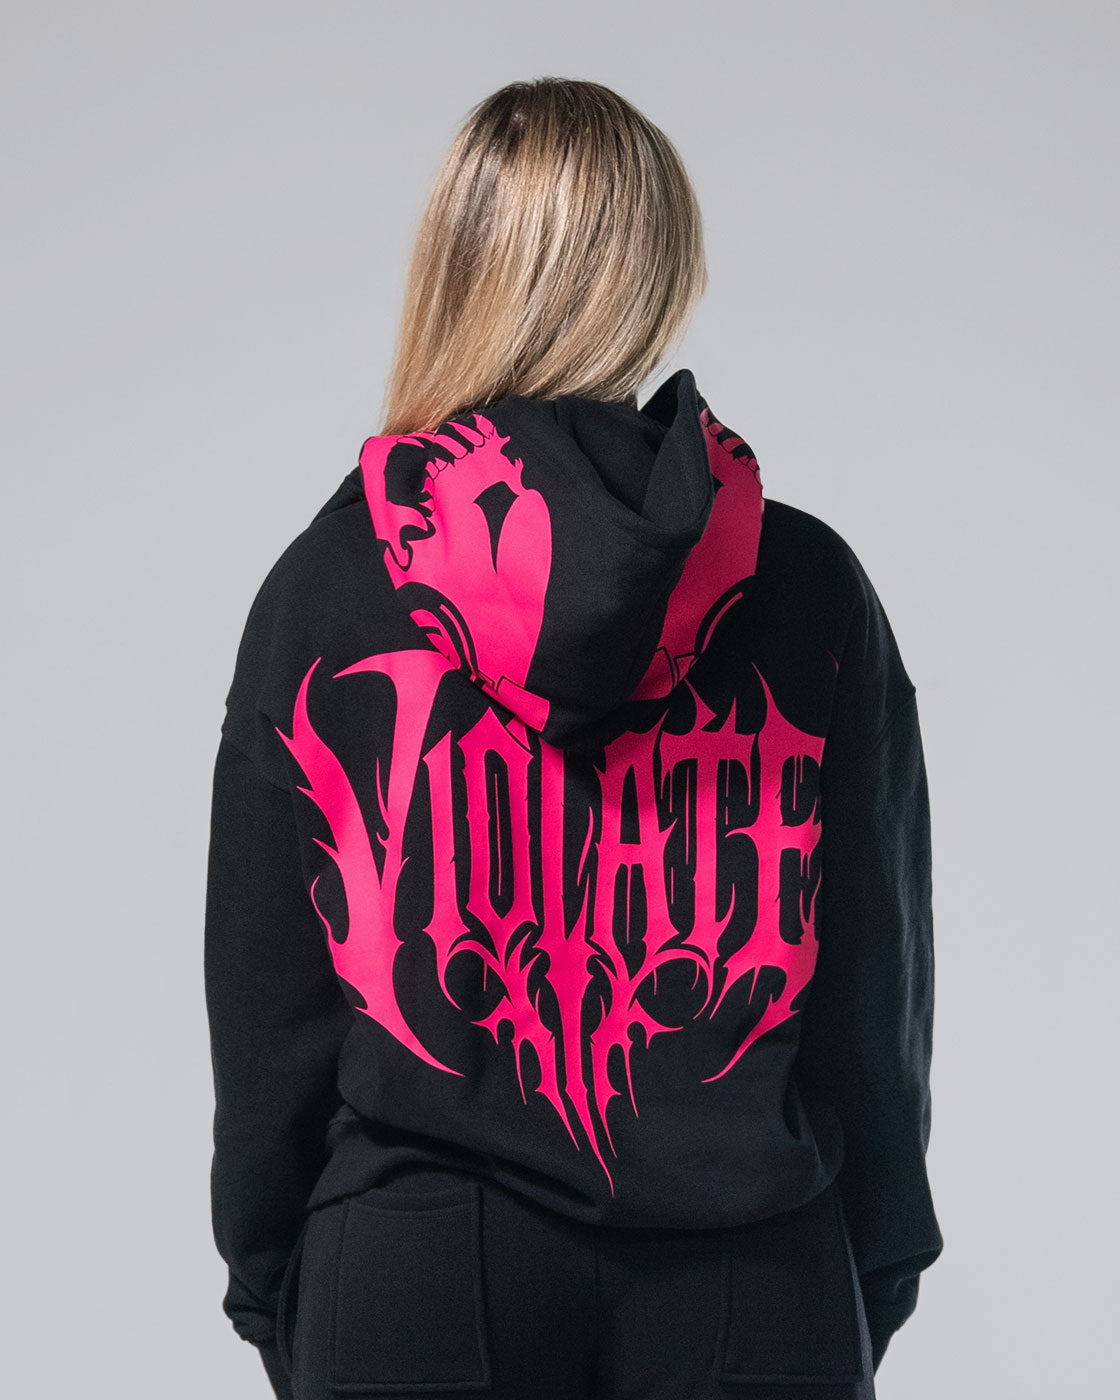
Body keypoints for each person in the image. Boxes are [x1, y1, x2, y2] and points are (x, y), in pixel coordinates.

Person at [203, 77, 943, 1400]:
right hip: (752, 1257)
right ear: (660, 272)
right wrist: (866, 1265)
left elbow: (271, 1000)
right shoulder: (805, 588)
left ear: (458, 268)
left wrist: (278, 1279)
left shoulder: (337, 583)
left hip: (414, 1257)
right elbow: (871, 992)